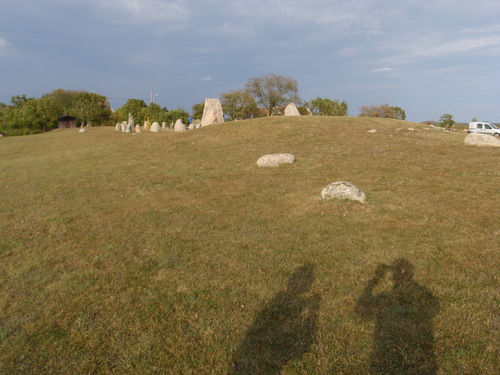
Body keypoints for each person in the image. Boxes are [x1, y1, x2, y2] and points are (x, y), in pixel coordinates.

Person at [356, 258, 439, 374]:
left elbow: (362, 311)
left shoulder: (386, 298)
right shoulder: (422, 294)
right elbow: (434, 309)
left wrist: (375, 280)